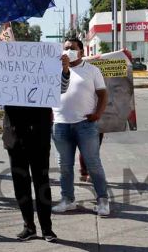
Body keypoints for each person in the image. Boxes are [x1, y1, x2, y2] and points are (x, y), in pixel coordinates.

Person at [3, 53, 70, 242]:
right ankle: (28, 226)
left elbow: (61, 89)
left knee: (42, 182)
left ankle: (47, 228)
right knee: (20, 184)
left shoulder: (43, 77)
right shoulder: (5, 77)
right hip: (14, 136)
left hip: (38, 136)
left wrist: (64, 70)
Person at [51, 38, 110, 217]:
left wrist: (98, 114)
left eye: (72, 48)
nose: (68, 51)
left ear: (81, 51)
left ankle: (102, 201)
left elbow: (103, 94)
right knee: (65, 166)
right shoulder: (55, 70)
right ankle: (68, 200)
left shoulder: (92, 70)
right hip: (60, 125)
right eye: (66, 48)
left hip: (85, 125)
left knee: (93, 164)